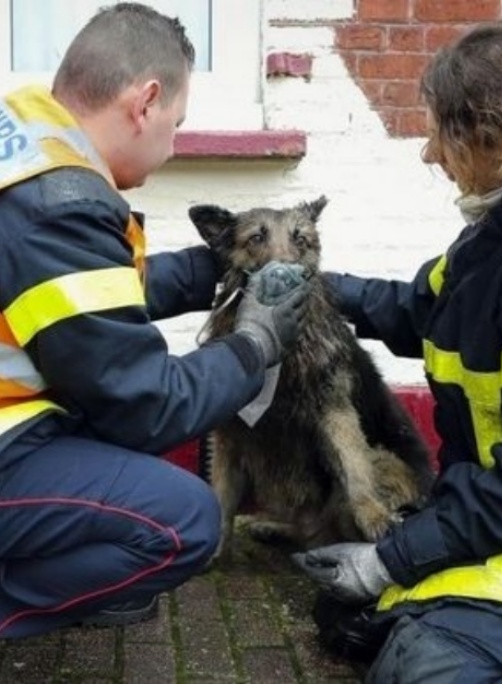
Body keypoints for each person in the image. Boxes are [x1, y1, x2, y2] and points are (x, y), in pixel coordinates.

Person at [0, 3, 307, 638]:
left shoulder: (26, 143)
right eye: (178, 123)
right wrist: (255, 343)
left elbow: (78, 306)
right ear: (146, 102)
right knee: (183, 520)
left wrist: (209, 269)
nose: (172, 145)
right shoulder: (58, 206)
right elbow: (144, 405)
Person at [291, 20, 502, 683]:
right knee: (346, 620)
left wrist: (391, 559)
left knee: (416, 666)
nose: (431, 155)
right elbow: (416, 309)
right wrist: (310, 287)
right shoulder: (499, 234)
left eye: (442, 134)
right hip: (494, 513)